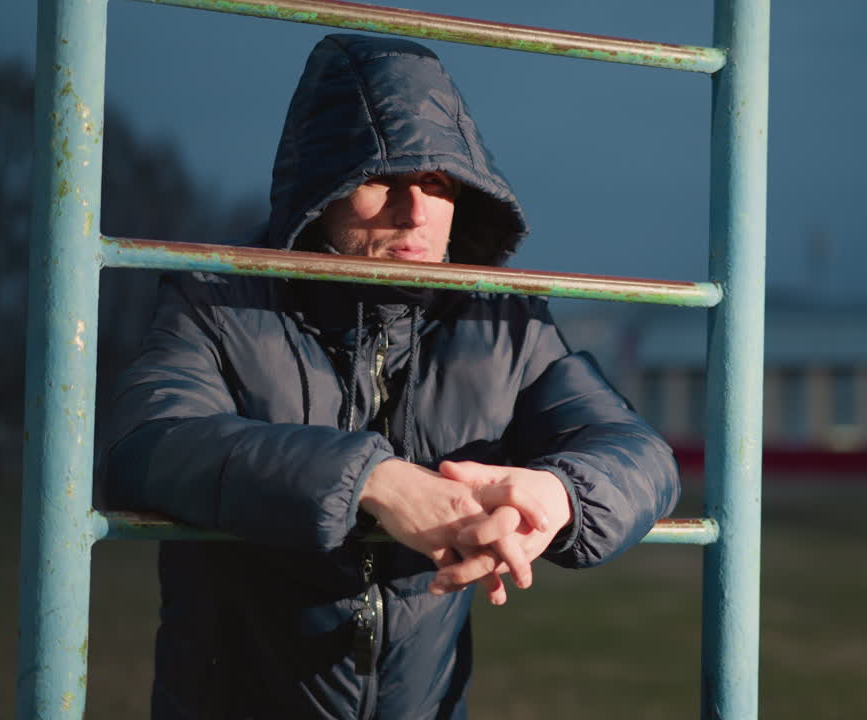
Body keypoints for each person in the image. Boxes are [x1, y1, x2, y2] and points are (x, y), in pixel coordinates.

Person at [100, 33, 679, 719]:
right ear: (321, 189)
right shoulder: (220, 300)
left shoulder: (503, 322)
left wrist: (561, 494)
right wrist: (373, 481)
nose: (416, 211)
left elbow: (642, 456)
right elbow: (147, 442)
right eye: (380, 180)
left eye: (437, 181)